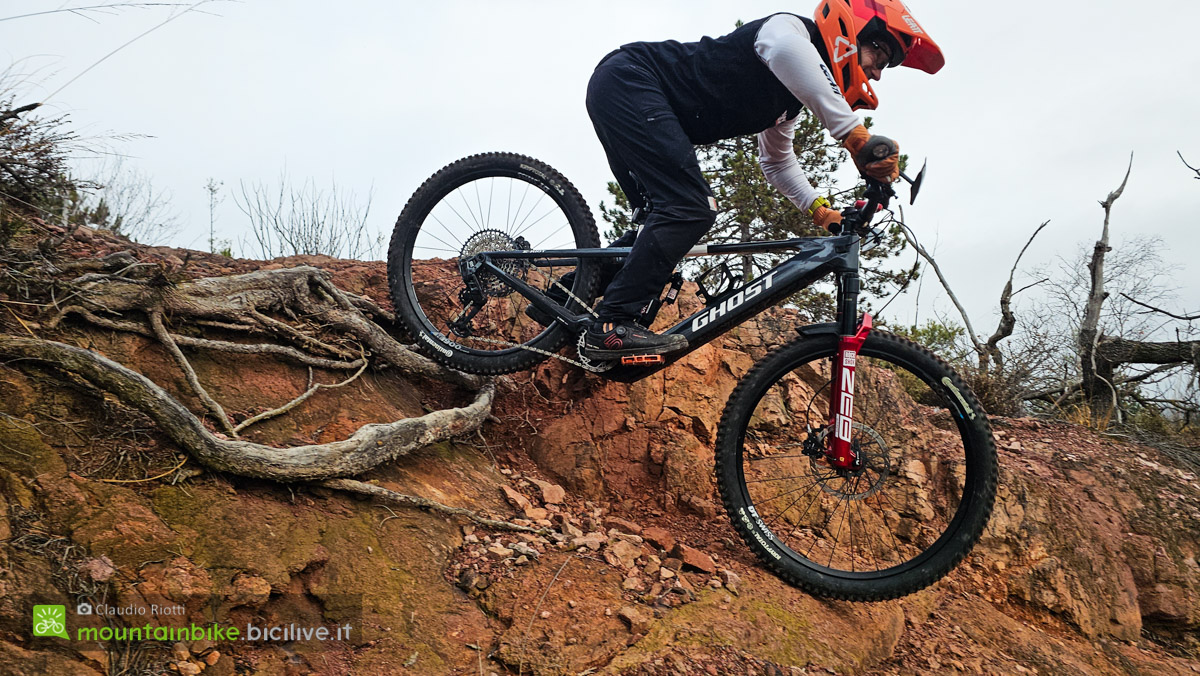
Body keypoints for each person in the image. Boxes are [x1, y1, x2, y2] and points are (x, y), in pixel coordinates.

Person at [569, 0, 943, 360]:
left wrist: (819, 210)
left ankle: (562, 299)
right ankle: (613, 325)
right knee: (690, 207)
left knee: (660, 225)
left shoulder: (786, 104)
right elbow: (783, 51)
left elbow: (777, 162)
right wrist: (853, 135)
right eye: (880, 54)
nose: (877, 72)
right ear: (852, 30)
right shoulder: (789, 31)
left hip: (624, 91)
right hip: (631, 80)